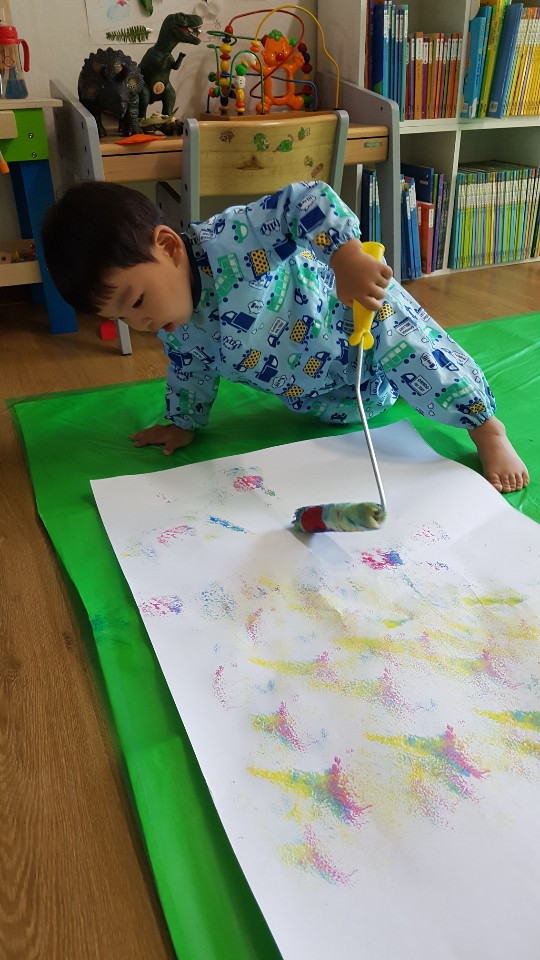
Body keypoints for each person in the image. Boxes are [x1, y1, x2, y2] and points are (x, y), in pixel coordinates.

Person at [42, 179, 528, 494]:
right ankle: (386, 387)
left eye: (137, 302)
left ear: (167, 247)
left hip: (354, 314)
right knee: (343, 409)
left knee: (407, 341)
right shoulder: (177, 326)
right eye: (122, 319)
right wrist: (183, 421)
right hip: (332, 389)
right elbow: (191, 371)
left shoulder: (231, 240)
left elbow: (304, 201)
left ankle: (484, 426)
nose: (141, 324)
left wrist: (346, 258)